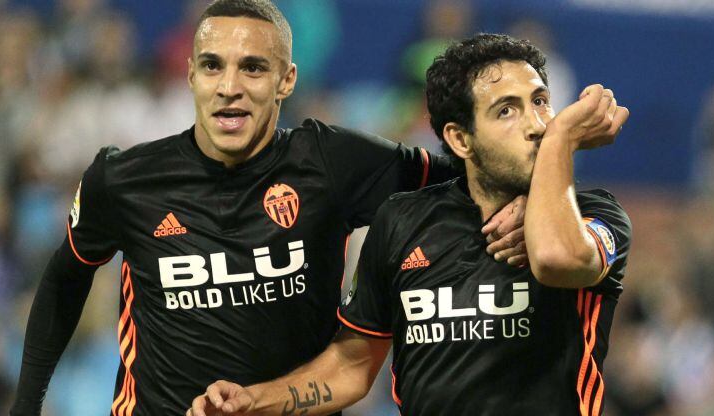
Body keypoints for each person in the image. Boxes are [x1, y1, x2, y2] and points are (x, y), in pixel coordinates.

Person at [8, 1, 527, 415]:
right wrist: (26, 406)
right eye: (213, 66)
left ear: (287, 80)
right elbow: (65, 278)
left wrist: (527, 199)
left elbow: (466, 173)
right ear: (191, 75)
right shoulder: (123, 179)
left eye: (253, 68)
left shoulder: (333, 162)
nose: (229, 87)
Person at [187, 33, 631, 416]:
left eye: (540, 102)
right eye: (506, 111)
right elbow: (353, 365)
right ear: (459, 138)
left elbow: (556, 257)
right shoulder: (403, 221)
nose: (537, 125)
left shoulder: (595, 215)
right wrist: (251, 400)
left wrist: (560, 142)